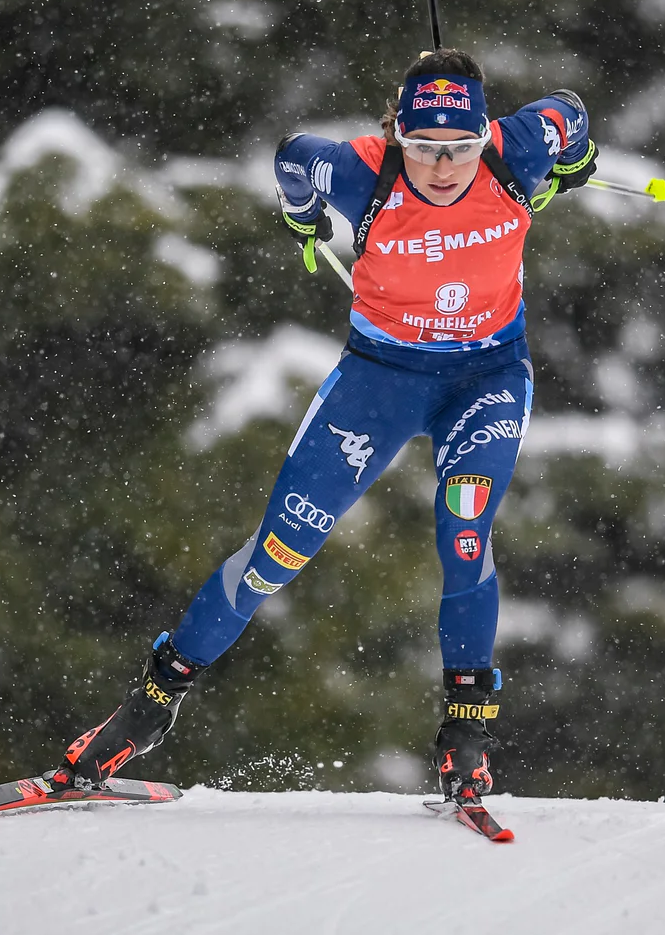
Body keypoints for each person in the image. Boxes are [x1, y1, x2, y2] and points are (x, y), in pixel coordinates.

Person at [53, 48, 597, 801]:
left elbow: (569, 109)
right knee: (279, 547)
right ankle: (147, 707)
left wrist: (577, 156)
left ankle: (466, 734)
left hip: (485, 378)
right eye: (426, 148)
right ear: (399, 135)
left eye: (461, 149)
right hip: (380, 380)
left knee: (465, 528)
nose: (444, 166)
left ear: (484, 137)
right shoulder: (361, 169)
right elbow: (290, 158)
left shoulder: (517, 150)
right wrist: (302, 214)